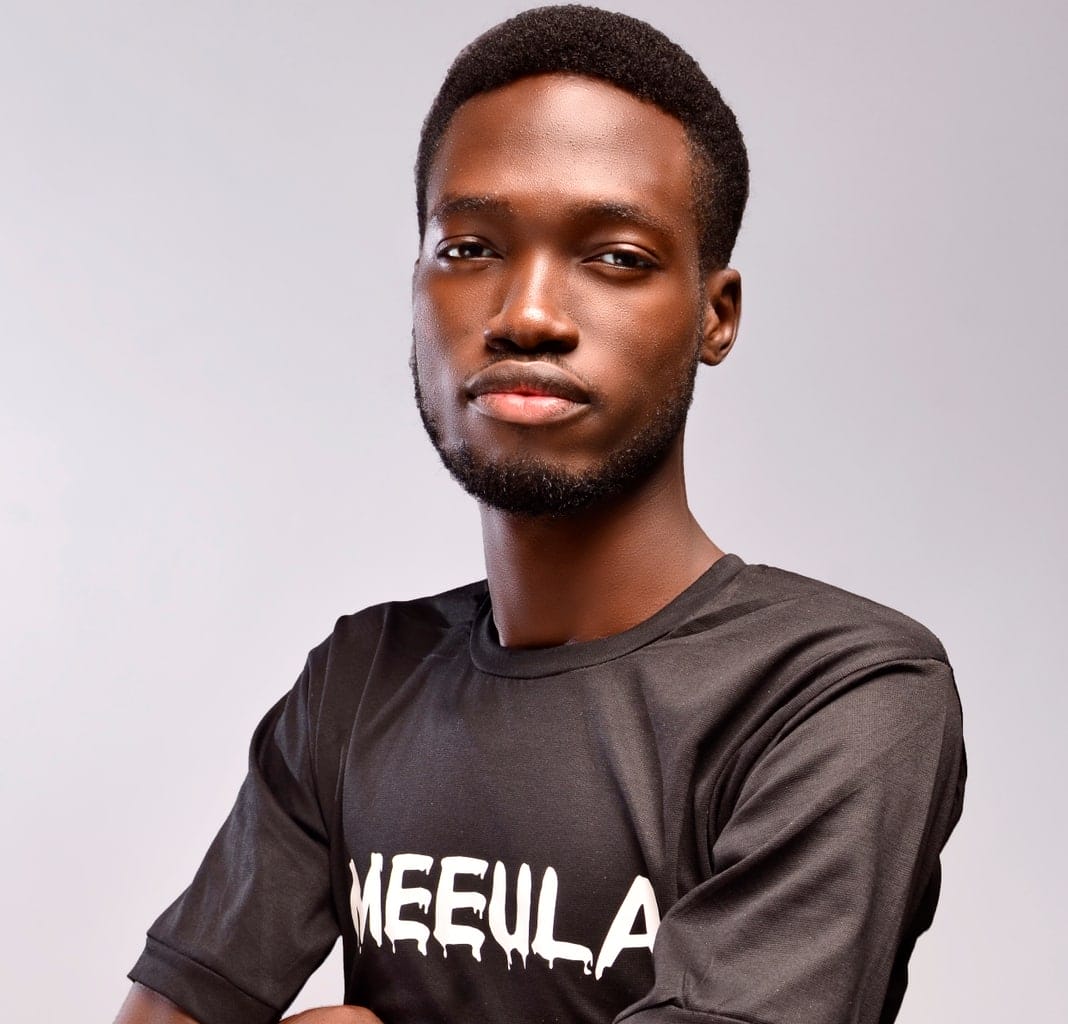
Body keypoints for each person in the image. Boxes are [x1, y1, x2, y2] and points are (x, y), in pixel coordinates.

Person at [115, 6, 966, 1024]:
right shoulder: (358, 681)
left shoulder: (836, 693)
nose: (526, 315)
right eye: (470, 247)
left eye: (616, 257)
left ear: (716, 313)